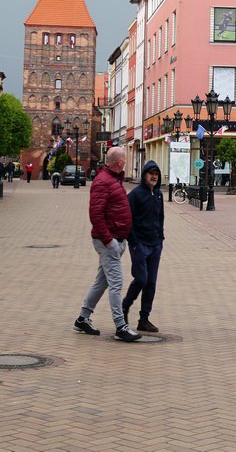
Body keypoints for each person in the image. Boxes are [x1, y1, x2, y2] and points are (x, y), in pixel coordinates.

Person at [74, 147, 140, 343]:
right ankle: (121, 326)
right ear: (119, 162)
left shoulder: (113, 179)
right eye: (125, 160)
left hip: (116, 239)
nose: (126, 163)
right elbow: (96, 214)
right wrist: (108, 240)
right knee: (116, 283)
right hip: (108, 241)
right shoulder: (103, 181)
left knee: (101, 281)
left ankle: (82, 319)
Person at [123, 159, 165, 333]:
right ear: (144, 175)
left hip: (155, 244)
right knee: (141, 278)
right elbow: (127, 219)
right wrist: (133, 242)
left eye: (156, 174)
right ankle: (124, 307)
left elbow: (160, 217)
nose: (154, 177)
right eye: (151, 174)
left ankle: (144, 319)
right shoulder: (135, 194)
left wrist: (160, 238)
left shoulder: (159, 194)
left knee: (151, 282)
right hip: (140, 244)